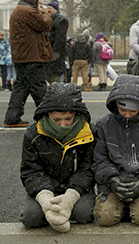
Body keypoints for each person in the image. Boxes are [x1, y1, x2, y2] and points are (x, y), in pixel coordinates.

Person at [19, 82, 95, 232]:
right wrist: (45, 199)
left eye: (68, 119)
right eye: (56, 120)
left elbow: (88, 169)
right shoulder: (33, 134)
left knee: (84, 214)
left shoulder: (89, 132)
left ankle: (62, 211)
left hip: (76, 189)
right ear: (47, 114)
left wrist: (70, 198)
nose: (63, 124)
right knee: (31, 217)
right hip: (45, 189)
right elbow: (30, 171)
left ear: (76, 113)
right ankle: (52, 212)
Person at [92, 74, 139, 226]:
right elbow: (99, 158)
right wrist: (112, 180)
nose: (127, 114)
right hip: (113, 180)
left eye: (133, 111)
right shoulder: (103, 125)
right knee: (104, 219)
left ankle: (132, 206)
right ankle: (122, 208)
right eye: (122, 109)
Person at [4, 0, 55, 128]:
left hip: (22, 56)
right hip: (31, 57)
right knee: (39, 88)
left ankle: (12, 117)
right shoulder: (27, 11)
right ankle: (48, 118)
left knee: (21, 88)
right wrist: (45, 13)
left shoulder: (19, 10)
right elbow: (45, 25)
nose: (40, 1)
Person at [44, 0, 69, 84]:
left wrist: (55, 54)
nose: (48, 10)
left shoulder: (61, 20)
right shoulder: (47, 19)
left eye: (50, 8)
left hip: (55, 58)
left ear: (56, 9)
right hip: (47, 57)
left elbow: (60, 40)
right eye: (47, 8)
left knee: (56, 83)